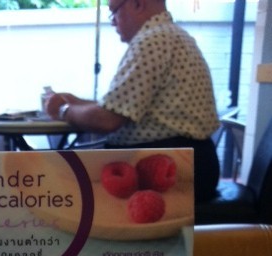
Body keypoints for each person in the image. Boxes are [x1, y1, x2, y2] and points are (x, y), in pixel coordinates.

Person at [45, 0, 220, 203]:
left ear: (137, 4)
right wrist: (77, 103)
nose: (112, 21)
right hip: (188, 162)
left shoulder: (153, 41)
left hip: (171, 169)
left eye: (114, 12)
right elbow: (119, 106)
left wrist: (63, 110)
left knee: (59, 185)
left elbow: (107, 120)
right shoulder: (170, 35)